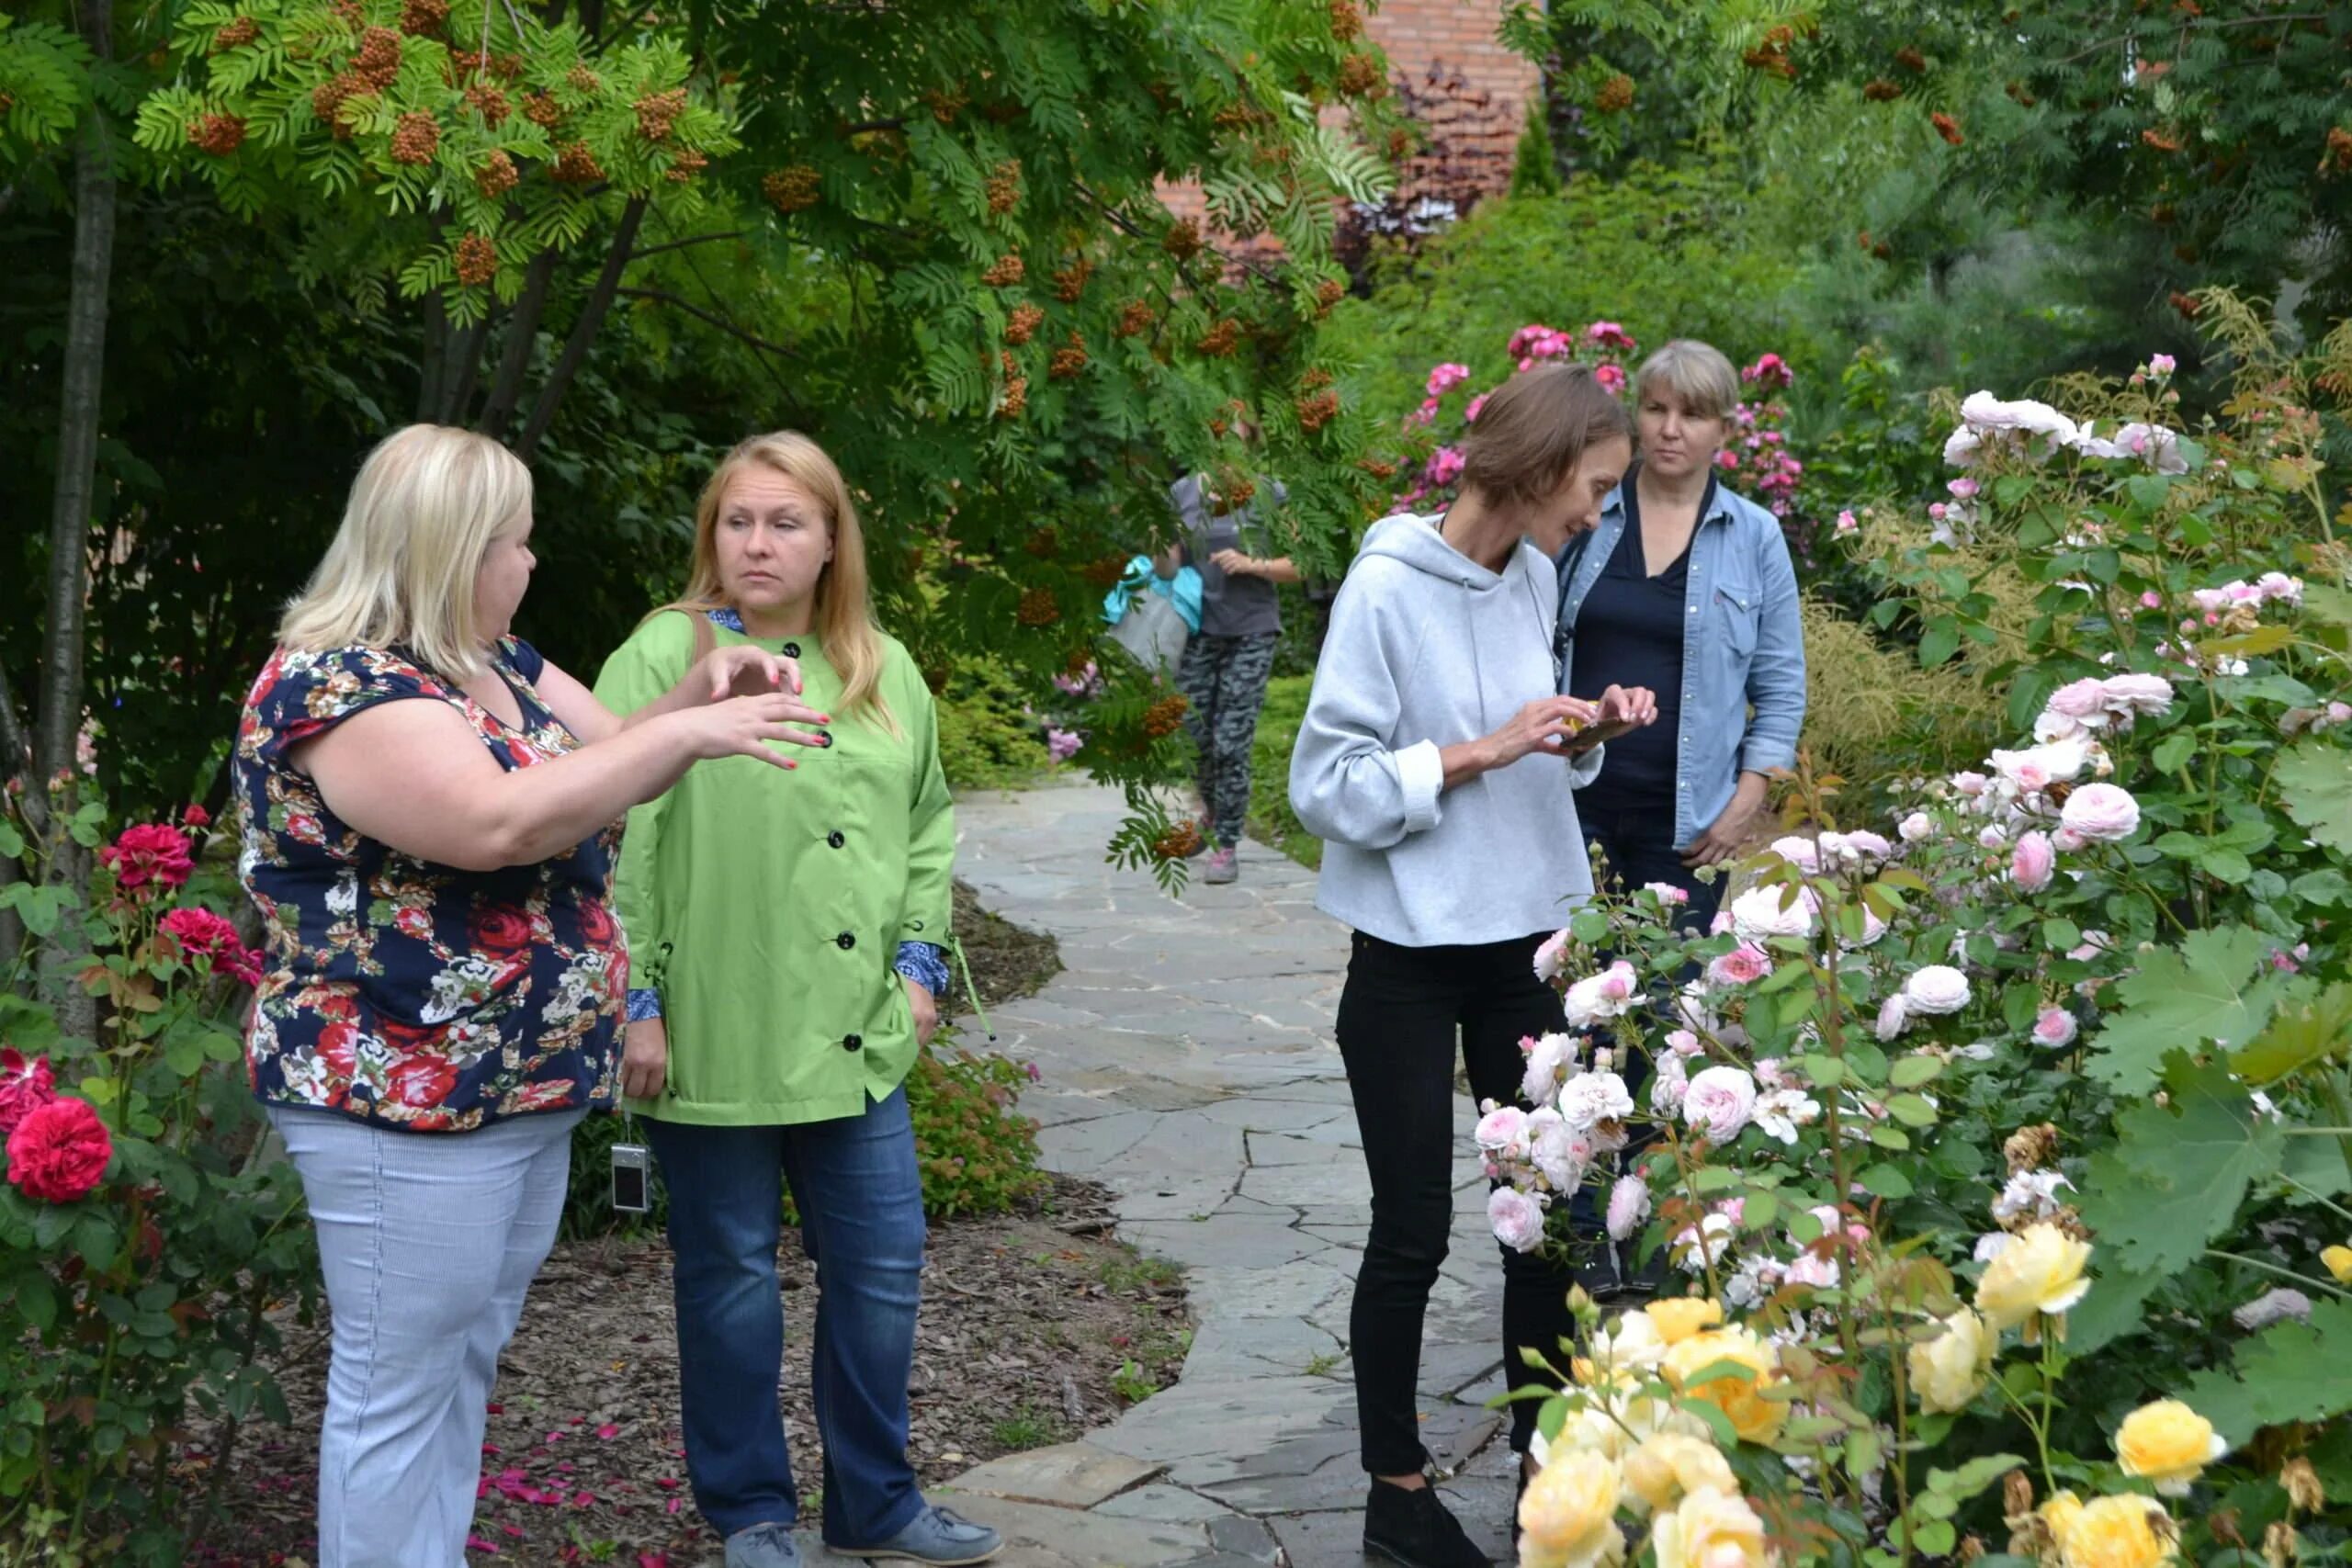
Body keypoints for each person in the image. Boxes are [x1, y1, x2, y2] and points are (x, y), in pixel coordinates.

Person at [234, 423, 823, 1568]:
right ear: (452, 552)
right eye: (515, 542)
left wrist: (696, 695)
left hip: (511, 1086)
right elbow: (502, 822)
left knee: (457, 1362)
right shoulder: (342, 683)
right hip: (400, 1095)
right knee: (396, 1390)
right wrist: (702, 729)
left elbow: (605, 759)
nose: (531, 562)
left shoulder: (491, 658)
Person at [594, 433, 996, 1568]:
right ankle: (751, 1513)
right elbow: (626, 832)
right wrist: (641, 999)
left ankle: (875, 1500)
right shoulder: (665, 653)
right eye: (737, 521)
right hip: (717, 1022)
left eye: (784, 523)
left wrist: (921, 970)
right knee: (727, 1279)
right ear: (710, 535)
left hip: (858, 1033)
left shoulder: (879, 662)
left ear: (830, 542)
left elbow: (925, 825)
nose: (757, 544)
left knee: (882, 1270)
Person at [1288, 363, 1657, 1568]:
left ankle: (1543, 1483)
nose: (1600, 512)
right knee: (1412, 1229)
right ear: (1543, 467)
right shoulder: (1385, 586)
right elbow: (1324, 788)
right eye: (1594, 487)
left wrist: (1576, 732)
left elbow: (1525, 751)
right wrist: (1481, 748)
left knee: (1546, 1230)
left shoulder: (1536, 574)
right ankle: (1397, 1496)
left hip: (1526, 951)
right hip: (1403, 957)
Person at [1558, 339, 1807, 930]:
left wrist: (1743, 807)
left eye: (1691, 415)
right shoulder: (1584, 513)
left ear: (1723, 430)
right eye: (1655, 409)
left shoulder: (1755, 536)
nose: (1670, 429)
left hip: (1686, 829)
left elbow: (1780, 687)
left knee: (1664, 1008)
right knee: (1570, 1001)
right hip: (1568, 808)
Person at [1159, 464, 1301, 884]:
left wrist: (1252, 563)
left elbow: (1300, 565)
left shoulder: (1270, 490)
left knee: (1230, 742)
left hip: (1251, 631)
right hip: (1198, 630)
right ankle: (1213, 812)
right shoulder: (1182, 491)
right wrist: (1156, 542)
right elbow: (1168, 569)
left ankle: (1227, 843)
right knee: (1193, 734)